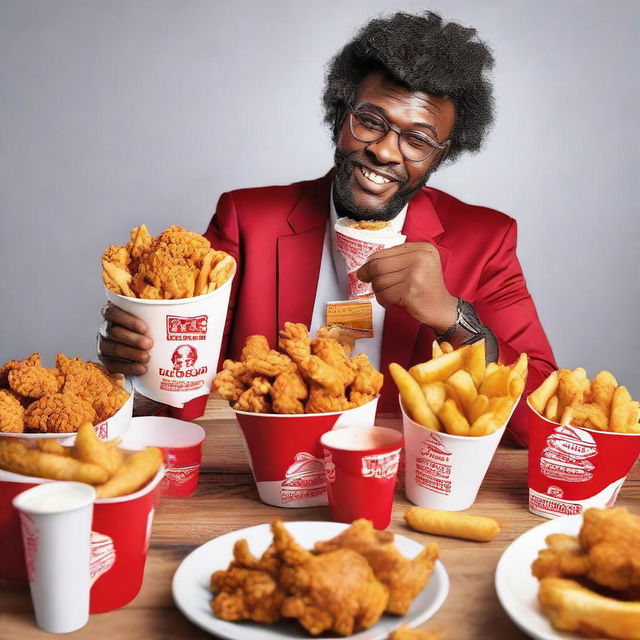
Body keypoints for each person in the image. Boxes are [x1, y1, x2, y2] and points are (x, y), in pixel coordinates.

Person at [97, 11, 556, 447]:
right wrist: (144, 369)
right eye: (371, 122)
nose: (386, 153)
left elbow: (540, 427)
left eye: (417, 140)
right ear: (341, 116)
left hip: (399, 481)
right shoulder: (247, 220)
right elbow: (185, 387)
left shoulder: (486, 239)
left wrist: (454, 318)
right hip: (269, 477)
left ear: (442, 155)